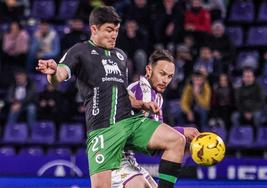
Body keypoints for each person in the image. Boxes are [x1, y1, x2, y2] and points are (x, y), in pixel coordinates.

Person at [36, 6, 188, 188]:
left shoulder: (121, 56)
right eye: (109, 30)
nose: (114, 35)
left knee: (177, 140)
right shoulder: (80, 51)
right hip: (103, 130)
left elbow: (123, 93)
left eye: (116, 30)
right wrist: (53, 72)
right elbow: (59, 75)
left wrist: (142, 104)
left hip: (130, 124)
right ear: (94, 29)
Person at [112, 49, 199, 188]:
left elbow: (155, 132)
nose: (165, 80)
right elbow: (155, 138)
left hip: (128, 158)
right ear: (149, 70)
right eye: (162, 74)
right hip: (113, 159)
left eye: (170, 77)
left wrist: (182, 133)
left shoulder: (157, 96)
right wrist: (182, 132)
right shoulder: (143, 91)